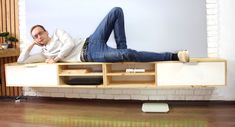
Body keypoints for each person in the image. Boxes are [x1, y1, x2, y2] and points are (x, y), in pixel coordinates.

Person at [17, 7, 189, 64]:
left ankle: (124, 51)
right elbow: (21, 61)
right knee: (126, 55)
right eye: (35, 36)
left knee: (116, 11)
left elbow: (69, 44)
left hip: (91, 40)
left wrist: (55, 59)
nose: (38, 37)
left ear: (46, 32)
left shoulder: (57, 33)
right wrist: (30, 45)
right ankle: (174, 55)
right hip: (90, 55)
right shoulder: (43, 54)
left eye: (40, 33)